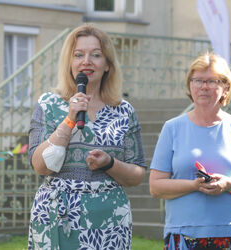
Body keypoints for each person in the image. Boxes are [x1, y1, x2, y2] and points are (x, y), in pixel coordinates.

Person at [27, 23, 147, 249]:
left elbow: (137, 173)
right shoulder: (48, 104)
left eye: (96, 55)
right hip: (57, 219)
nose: (86, 61)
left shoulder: (124, 111)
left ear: (108, 65)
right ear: (69, 63)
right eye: (78, 55)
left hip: (110, 221)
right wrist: (70, 118)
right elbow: (40, 166)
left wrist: (109, 163)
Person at [149, 52, 231, 250]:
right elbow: (156, 187)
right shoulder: (172, 128)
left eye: (212, 81)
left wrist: (229, 184)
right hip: (184, 234)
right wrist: (194, 185)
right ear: (189, 85)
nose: (203, 87)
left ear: (225, 86)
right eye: (198, 80)